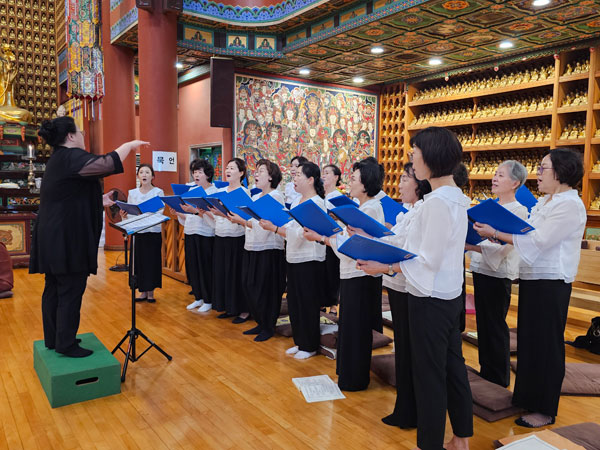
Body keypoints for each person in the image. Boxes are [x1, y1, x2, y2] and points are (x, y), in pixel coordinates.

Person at [358, 127, 473, 450]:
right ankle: (460, 438)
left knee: (429, 376)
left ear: (431, 157)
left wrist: (385, 267)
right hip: (448, 295)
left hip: (430, 299)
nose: (411, 159)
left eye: (415, 154)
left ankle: (430, 444)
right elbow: (416, 244)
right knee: (452, 368)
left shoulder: (438, 202)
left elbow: (427, 259)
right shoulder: (452, 197)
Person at [474, 148, 586, 428]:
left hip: (551, 281)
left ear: (560, 172)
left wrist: (496, 233)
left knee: (546, 345)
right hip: (533, 277)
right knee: (529, 341)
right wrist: (500, 235)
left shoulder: (569, 205)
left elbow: (540, 240)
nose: (537, 174)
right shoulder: (545, 202)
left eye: (543, 168)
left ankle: (545, 409)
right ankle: (526, 397)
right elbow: (526, 234)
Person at [30, 116, 148, 357]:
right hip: (67, 238)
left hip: (52, 235)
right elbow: (106, 163)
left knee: (53, 287)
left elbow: (67, 194)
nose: (83, 135)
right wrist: (128, 145)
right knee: (70, 288)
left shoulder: (58, 159)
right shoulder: (71, 156)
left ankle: (54, 339)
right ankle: (66, 343)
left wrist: (98, 199)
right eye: (80, 131)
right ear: (70, 136)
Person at [304, 159, 385, 391]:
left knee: (356, 329)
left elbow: (355, 247)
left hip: (361, 276)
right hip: (352, 275)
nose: (349, 182)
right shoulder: (362, 206)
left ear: (365, 183)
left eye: (353, 178)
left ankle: (355, 379)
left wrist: (323, 237)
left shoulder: (371, 208)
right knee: (349, 327)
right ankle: (347, 375)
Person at [466, 160, 528, 387]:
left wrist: (473, 245)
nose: (494, 178)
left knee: (495, 325)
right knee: (483, 324)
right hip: (481, 269)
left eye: (501, 175)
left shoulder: (519, 210)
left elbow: (504, 248)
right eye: (495, 174)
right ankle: (487, 371)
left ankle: (499, 377)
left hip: (498, 273)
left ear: (515, 183)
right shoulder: (489, 206)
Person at [380, 162, 431, 428]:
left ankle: (411, 411)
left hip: (409, 285)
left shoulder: (423, 211)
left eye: (404, 179)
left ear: (420, 183)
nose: (399, 185)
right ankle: (405, 407)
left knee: (410, 350)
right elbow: (395, 240)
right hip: (399, 283)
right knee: (402, 347)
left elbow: (407, 248)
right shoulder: (410, 211)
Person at [260, 161, 326, 360]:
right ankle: (299, 341)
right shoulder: (297, 201)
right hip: (294, 257)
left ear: (310, 179)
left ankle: (310, 344)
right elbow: (291, 228)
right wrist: (278, 227)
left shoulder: (316, 203)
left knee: (307, 303)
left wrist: (274, 229)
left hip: (309, 259)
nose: (294, 179)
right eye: (294, 175)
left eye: (298, 175)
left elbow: (302, 234)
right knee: (294, 302)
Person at [229, 159, 286, 342]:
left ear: (271, 177)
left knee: (266, 289)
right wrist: (241, 220)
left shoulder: (276, 196)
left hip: (269, 249)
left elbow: (266, 224)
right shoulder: (255, 198)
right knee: (249, 285)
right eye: (256, 170)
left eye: (261, 171)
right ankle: (261, 322)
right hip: (252, 246)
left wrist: (242, 221)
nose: (256, 174)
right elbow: (252, 223)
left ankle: (268, 326)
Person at [210, 158, 251, 322]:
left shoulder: (244, 193)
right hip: (220, 236)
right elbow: (216, 217)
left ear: (241, 173)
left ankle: (243, 310)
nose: (228, 170)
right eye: (227, 168)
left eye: (232, 168)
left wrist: (221, 214)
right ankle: (228, 307)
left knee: (236, 274)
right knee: (223, 273)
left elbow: (244, 219)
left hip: (237, 238)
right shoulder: (221, 192)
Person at [176, 159, 218, 313]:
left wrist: (196, 211)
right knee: (193, 266)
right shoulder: (191, 190)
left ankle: (208, 299)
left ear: (208, 174)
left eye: (200, 172)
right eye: (194, 172)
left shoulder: (214, 192)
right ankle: (198, 297)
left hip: (206, 233)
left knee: (205, 267)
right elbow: (189, 216)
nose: (196, 175)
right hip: (190, 231)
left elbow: (216, 218)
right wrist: (179, 212)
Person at [122, 164, 164, 303]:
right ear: (138, 176)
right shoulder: (132, 193)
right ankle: (142, 291)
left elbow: (160, 212)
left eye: (147, 172)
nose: (144, 175)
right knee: (139, 262)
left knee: (151, 262)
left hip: (152, 232)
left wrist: (145, 213)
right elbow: (130, 213)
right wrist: (124, 216)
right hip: (138, 232)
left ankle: (151, 292)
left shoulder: (158, 192)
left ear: (153, 176)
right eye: (141, 172)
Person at [322, 163, 342, 314]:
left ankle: (334, 304)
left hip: (333, 237)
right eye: (323, 172)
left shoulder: (338, 197)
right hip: (320, 237)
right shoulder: (320, 196)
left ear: (336, 177)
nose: (324, 175)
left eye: (327, 173)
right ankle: (322, 301)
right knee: (322, 271)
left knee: (332, 270)